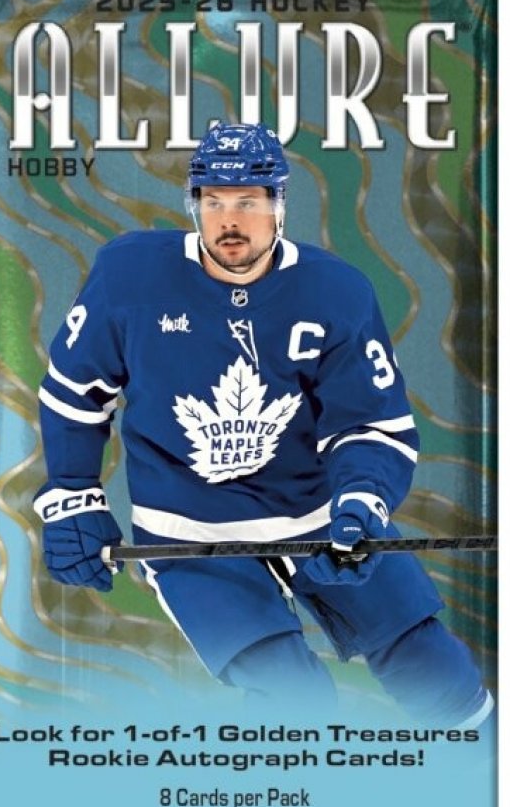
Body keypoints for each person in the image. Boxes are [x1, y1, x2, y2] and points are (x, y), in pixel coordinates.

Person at [34, 122, 492, 723]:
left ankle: (486, 768)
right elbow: (75, 392)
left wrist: (361, 502)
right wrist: (72, 496)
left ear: (279, 204)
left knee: (430, 664)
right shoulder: (129, 277)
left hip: (316, 513)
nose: (229, 221)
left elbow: (369, 424)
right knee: (291, 696)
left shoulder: (335, 292)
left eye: (248, 202)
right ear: (193, 204)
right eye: (214, 202)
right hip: (189, 530)